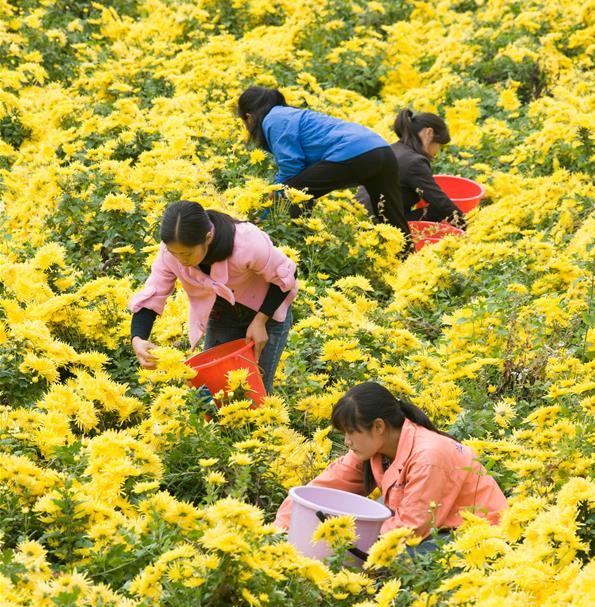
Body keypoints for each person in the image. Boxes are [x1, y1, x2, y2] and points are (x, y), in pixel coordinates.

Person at [275, 382, 507, 552]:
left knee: (397, 562)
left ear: (378, 426)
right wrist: (283, 528)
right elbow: (327, 486)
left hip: (476, 533)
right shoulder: (373, 448)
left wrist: (345, 542)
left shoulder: (428, 457)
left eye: (351, 432)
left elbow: (410, 528)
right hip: (428, 521)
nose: (347, 441)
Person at [129, 200, 298, 392]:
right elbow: (154, 293)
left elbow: (287, 276)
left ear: (208, 237)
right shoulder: (172, 252)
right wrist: (138, 338)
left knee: (254, 391)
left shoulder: (246, 242)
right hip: (221, 315)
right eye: (173, 253)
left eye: (186, 254)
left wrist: (260, 320)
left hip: (267, 312)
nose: (180, 261)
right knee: (213, 392)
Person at [237, 86, 414, 251]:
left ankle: (296, 247)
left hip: (355, 152)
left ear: (249, 116)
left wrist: (267, 212)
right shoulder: (289, 114)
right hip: (381, 150)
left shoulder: (274, 119)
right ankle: (407, 261)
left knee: (295, 192)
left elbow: (291, 167)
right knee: (392, 218)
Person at [357, 109, 466, 228]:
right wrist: (468, 226)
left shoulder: (393, 148)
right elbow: (440, 202)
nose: (437, 152)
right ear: (428, 133)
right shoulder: (415, 162)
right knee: (437, 210)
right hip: (379, 226)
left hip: (359, 216)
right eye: (439, 145)